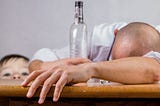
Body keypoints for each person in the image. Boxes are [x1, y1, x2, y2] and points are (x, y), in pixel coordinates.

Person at [21, 22, 160, 104]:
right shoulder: (101, 39)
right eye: (114, 60)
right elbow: (40, 58)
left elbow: (153, 71)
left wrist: (88, 69)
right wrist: (44, 66)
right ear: (115, 35)